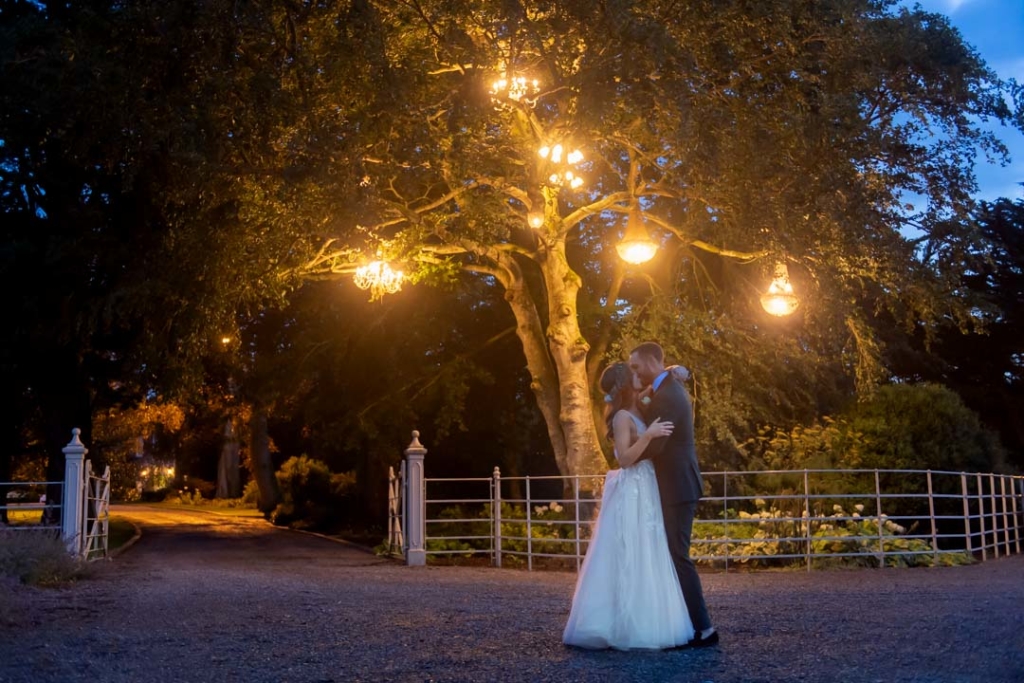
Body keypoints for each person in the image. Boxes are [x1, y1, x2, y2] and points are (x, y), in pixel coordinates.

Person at [562, 362, 695, 650]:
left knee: (649, 549)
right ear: (625, 383)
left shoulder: (640, 404)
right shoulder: (622, 416)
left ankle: (649, 618)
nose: (640, 375)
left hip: (646, 486)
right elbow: (623, 458)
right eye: (634, 373)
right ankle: (621, 624)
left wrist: (672, 370)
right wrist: (648, 435)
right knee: (631, 551)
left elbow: (654, 387)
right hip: (633, 486)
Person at [629, 341, 718, 647]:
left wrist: (625, 459)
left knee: (678, 556)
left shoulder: (667, 395)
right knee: (672, 553)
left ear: (653, 363)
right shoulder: (666, 386)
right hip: (675, 483)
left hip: (677, 486)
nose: (634, 372)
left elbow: (657, 445)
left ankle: (704, 628)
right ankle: (686, 622)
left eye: (636, 366)